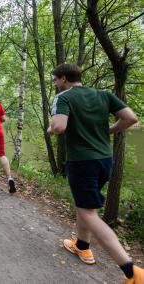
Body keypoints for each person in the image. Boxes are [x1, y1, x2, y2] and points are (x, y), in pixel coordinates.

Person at [49, 63, 142, 283]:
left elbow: (60, 127)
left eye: (55, 80)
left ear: (63, 79)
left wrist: (52, 127)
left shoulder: (63, 98)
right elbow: (130, 118)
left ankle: (132, 271)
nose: (55, 84)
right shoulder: (103, 94)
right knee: (85, 205)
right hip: (104, 160)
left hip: (82, 162)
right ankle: (82, 246)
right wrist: (107, 130)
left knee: (90, 213)